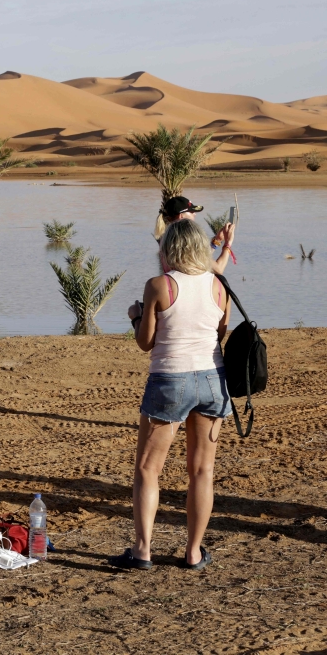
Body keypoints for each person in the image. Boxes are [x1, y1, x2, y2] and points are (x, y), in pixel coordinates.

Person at [110, 219, 231, 571]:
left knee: (149, 468)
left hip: (170, 380)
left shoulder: (158, 286)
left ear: (169, 250)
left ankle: (143, 551)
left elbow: (146, 342)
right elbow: (220, 333)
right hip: (212, 379)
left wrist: (136, 316)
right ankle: (194, 552)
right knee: (202, 470)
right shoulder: (219, 285)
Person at [154, 196, 235, 275]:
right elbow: (219, 269)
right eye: (191, 211)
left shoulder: (167, 239)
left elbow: (198, 257)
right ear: (181, 216)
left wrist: (217, 240)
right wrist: (228, 243)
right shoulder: (184, 239)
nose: (195, 214)